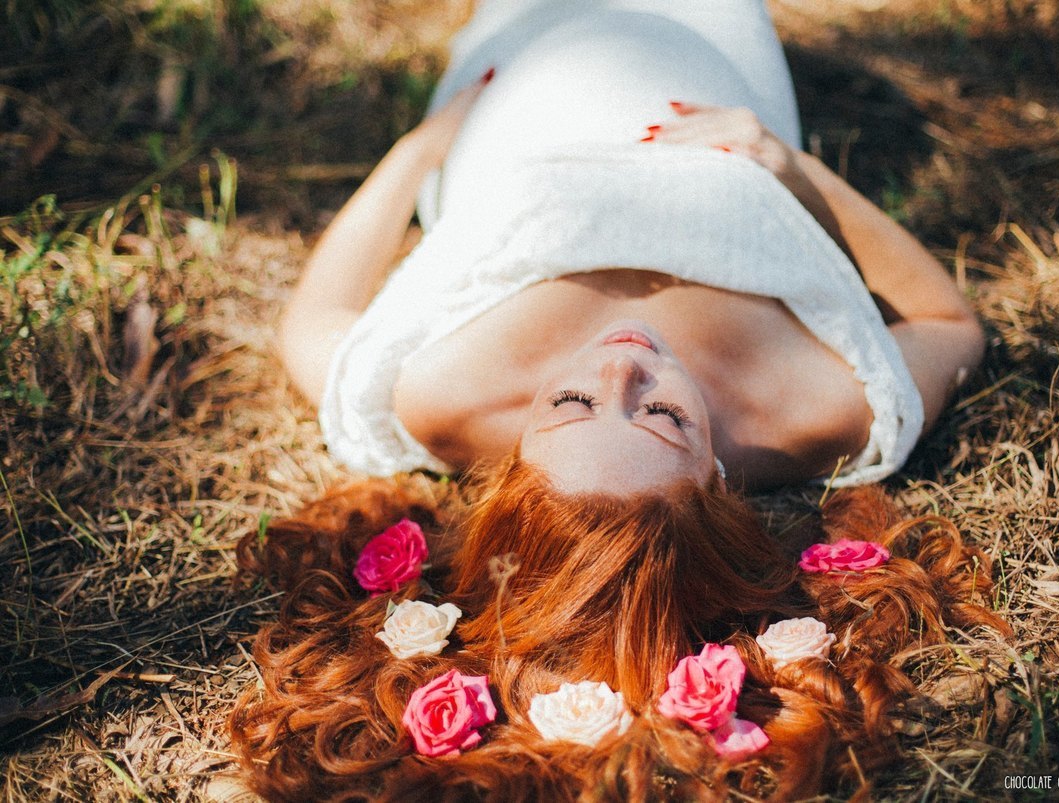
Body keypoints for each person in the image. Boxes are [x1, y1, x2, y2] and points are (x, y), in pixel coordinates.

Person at [231, 2, 1004, 800]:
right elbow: (952, 323)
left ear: (512, 459)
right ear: (719, 483)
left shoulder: (447, 396)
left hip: (520, 56)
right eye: (666, 417)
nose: (620, 367)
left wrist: (419, 150)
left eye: (567, 400)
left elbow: (310, 326)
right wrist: (795, 170)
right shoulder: (810, 409)